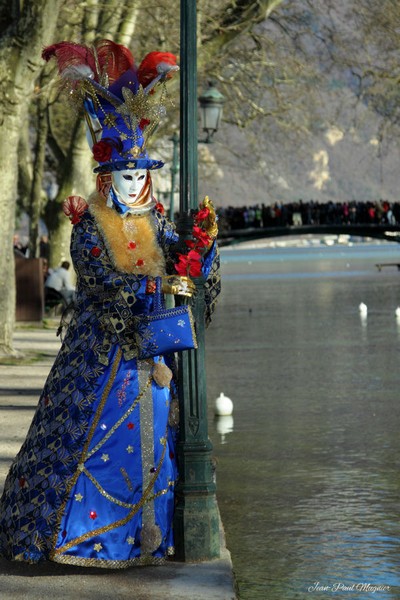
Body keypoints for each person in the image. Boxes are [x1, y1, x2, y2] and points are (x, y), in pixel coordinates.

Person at [0, 39, 220, 568]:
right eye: (127, 175)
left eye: (142, 175)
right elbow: (97, 280)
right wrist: (154, 288)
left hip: (155, 353)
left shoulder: (157, 221)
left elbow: (181, 260)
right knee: (95, 440)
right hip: (104, 352)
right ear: (106, 178)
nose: (136, 183)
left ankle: (147, 535)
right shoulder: (89, 226)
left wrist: (202, 251)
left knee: (153, 442)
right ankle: (84, 538)